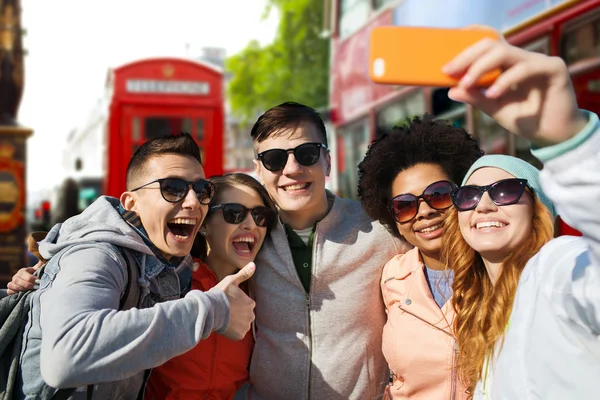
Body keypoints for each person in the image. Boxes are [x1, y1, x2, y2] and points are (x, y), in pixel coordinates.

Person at [16, 133, 256, 399]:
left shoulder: (174, 262)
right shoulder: (96, 253)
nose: (192, 202)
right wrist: (215, 310)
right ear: (132, 203)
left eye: (202, 191)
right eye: (172, 188)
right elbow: (65, 357)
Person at [440, 32, 599, 398]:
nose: (484, 205)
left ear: (538, 209)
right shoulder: (474, 308)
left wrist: (569, 143)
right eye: (468, 195)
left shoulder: (561, 271)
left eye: (506, 191)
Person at [247, 102, 410, 399]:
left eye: (307, 153)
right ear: (259, 170)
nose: (292, 169)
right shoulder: (248, 237)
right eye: (274, 159)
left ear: (328, 162)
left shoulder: (380, 229)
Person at [357, 114, 482, 399]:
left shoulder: (500, 269)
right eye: (405, 205)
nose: (424, 212)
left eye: (438, 195)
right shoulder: (392, 276)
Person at [145, 173, 276, 400]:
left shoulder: (262, 294)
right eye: (234, 213)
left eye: (260, 216)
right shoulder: (168, 283)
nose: (251, 224)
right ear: (204, 224)